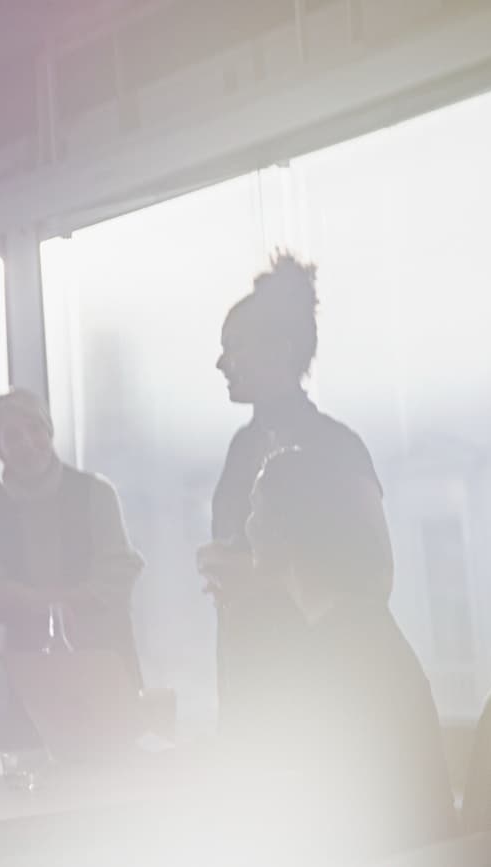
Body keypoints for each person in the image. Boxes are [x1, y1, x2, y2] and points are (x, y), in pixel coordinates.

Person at [197, 251, 392, 734]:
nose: (221, 362)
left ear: (280, 349)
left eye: (234, 346)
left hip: (318, 693)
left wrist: (251, 573)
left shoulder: (335, 446)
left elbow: (376, 577)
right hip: (250, 679)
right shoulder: (242, 447)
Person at [236, 446, 455, 862]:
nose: (247, 527)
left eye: (258, 510)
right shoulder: (368, 631)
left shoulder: (337, 655)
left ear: (291, 526)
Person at [0, 389, 145, 685]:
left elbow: (115, 580)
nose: (28, 444)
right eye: (13, 436)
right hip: (18, 674)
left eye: (34, 429)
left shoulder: (98, 494)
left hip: (100, 665)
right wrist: (56, 604)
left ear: (50, 430)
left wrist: (31, 601)